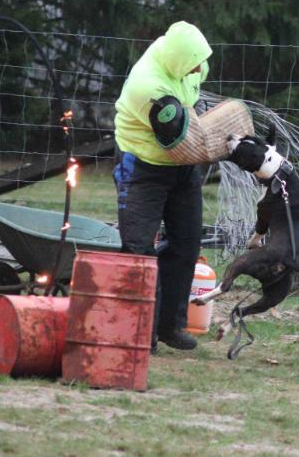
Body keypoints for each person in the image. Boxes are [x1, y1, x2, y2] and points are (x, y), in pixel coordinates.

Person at [113, 20, 212, 351]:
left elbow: (193, 104)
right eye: (194, 62)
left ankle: (170, 325)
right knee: (139, 249)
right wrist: (209, 142)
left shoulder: (192, 63)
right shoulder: (149, 88)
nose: (200, 68)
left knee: (186, 244)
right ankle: (141, 332)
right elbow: (174, 136)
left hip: (182, 167)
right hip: (142, 166)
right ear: (178, 60)